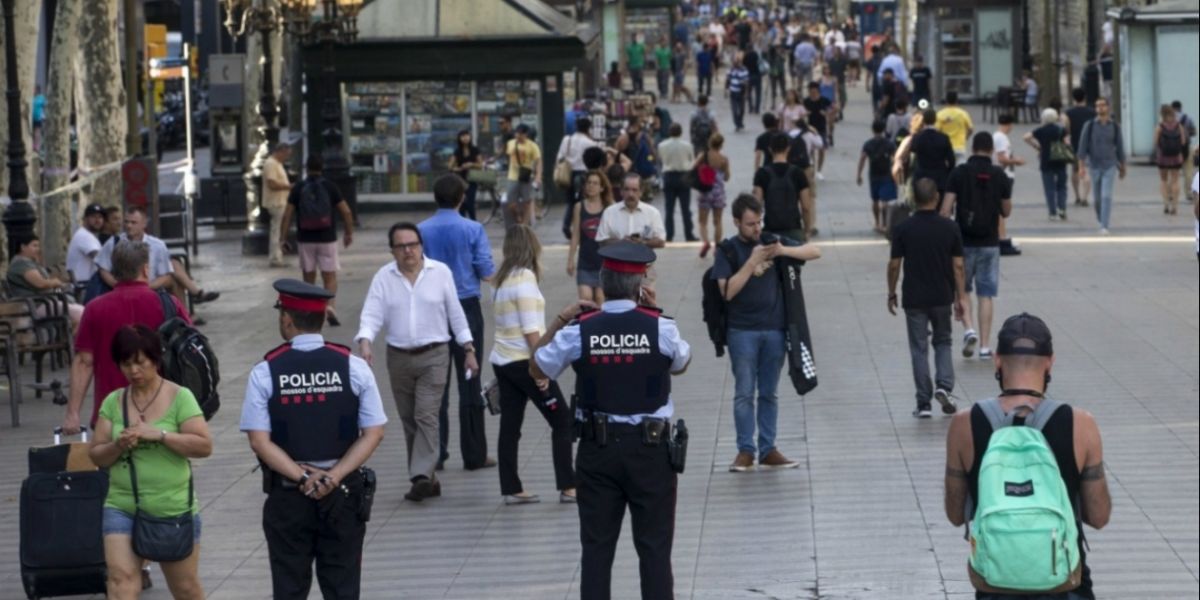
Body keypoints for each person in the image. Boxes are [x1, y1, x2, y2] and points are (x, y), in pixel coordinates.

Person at [530, 242, 692, 600]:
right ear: (640, 285)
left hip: (597, 452)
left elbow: (537, 366)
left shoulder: (580, 329)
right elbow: (681, 363)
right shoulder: (661, 328)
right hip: (651, 454)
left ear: (602, 281)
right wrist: (651, 314)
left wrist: (560, 319)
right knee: (654, 550)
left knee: (597, 550)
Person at [944, 313, 1111, 600]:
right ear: (1050, 361)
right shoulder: (1081, 424)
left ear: (997, 360)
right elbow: (1098, 516)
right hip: (1064, 584)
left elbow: (956, 514)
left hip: (996, 583)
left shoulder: (963, 425)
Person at [242, 279, 386, 599]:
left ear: (286, 320)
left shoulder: (266, 371)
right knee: (342, 587)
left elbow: (259, 441)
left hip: (289, 496)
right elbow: (374, 432)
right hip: (344, 494)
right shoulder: (354, 366)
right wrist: (333, 476)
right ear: (322, 318)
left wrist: (304, 476)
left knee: (290, 587)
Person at [89, 324, 212, 600]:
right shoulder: (113, 401)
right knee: (121, 581)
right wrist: (118, 444)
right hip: (121, 504)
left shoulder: (180, 397)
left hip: (171, 506)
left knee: (185, 588)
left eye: (140, 363)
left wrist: (160, 435)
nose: (134, 371)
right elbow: (96, 454)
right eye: (126, 364)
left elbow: (204, 446)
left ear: (155, 360)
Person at [356, 223, 475, 502]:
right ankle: (428, 479)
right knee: (410, 420)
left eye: (413, 244)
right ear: (393, 251)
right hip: (398, 357)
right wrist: (365, 340)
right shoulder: (384, 277)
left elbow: (455, 313)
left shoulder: (440, 273)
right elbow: (372, 313)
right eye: (401, 246)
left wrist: (468, 347)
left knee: (426, 415)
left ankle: (420, 475)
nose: (409, 250)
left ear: (422, 245)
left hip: (435, 354)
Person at [712, 194, 821, 472]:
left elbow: (815, 251)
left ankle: (768, 448)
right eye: (750, 224)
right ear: (736, 222)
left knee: (769, 392)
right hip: (742, 332)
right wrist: (751, 263)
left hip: (774, 330)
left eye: (759, 222)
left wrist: (782, 251)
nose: (757, 229)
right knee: (744, 392)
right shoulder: (727, 250)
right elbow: (727, 291)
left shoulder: (772, 240)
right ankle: (745, 450)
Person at [62, 240, 190, 434]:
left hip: (112, 416)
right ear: (146, 269)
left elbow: (84, 362)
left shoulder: (95, 308)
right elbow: (189, 350)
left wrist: (73, 414)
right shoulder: (169, 304)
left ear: (114, 273)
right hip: (165, 414)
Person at [489, 225, 576, 505]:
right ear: (532, 248)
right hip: (525, 363)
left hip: (503, 362)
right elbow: (531, 331)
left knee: (510, 426)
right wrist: (542, 369)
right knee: (562, 420)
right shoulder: (525, 279)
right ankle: (569, 486)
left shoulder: (500, 281)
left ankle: (511, 487)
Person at [418, 174, 497, 472]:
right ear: (462, 198)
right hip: (465, 306)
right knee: (470, 378)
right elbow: (486, 269)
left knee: (434, 381)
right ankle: (474, 453)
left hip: (432, 308)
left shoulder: (421, 230)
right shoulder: (473, 228)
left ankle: (436, 453)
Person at [887, 178, 966, 418]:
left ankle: (923, 403)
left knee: (918, 348)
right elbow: (959, 266)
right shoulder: (950, 227)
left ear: (914, 199)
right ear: (936, 198)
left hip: (914, 298)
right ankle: (944, 386)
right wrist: (960, 297)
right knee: (943, 341)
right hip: (942, 296)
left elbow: (894, 264)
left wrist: (891, 292)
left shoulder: (903, 228)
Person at [940, 133, 1012, 362]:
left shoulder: (959, 173)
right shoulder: (1000, 174)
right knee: (986, 295)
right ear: (991, 150)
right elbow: (1007, 211)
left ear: (972, 148)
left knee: (963, 290)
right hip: (990, 243)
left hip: (963, 242)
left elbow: (945, 210)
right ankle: (984, 347)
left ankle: (968, 328)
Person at [279, 155, 353, 325]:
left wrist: (283, 238)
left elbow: (287, 214)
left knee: (308, 277)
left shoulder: (298, 187)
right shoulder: (330, 186)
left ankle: (310, 310)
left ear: (306, 168)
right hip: (327, 238)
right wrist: (348, 233)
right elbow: (346, 212)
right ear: (322, 168)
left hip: (306, 239)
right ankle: (330, 308)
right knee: (330, 275)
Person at [96, 207, 219, 310]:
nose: (129, 226)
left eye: (133, 223)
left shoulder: (157, 245)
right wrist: (115, 284)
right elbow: (103, 269)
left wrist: (145, 287)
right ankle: (189, 309)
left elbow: (165, 275)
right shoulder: (114, 243)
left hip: (150, 287)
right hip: (122, 289)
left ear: (144, 224)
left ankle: (184, 317)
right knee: (175, 272)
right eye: (126, 222)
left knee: (173, 276)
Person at [7, 233, 85, 327]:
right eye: (34, 246)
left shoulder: (29, 262)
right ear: (23, 247)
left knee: (80, 313)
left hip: (46, 301)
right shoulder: (20, 265)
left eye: (38, 246)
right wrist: (55, 282)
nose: (38, 249)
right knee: (81, 312)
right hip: (37, 304)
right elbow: (40, 283)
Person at [1076, 97, 1126, 234]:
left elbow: (1120, 147)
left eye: (1103, 105)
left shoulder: (1114, 126)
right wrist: (1081, 167)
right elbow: (1082, 147)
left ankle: (1104, 225)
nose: (1100, 108)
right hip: (1094, 165)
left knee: (1106, 196)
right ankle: (1100, 218)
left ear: (1108, 107)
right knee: (1097, 198)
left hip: (1110, 165)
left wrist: (1123, 166)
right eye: (1097, 106)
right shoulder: (1090, 125)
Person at [754, 132, 814, 243]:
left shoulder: (762, 173)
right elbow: (806, 207)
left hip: (770, 231)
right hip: (794, 230)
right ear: (788, 149)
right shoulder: (798, 173)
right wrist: (807, 231)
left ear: (770, 149)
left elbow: (757, 204)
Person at [569, 171, 615, 304]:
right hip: (585, 262)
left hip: (604, 263)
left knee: (601, 299)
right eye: (589, 183)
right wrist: (570, 260)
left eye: (595, 183)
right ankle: (587, 324)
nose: (591, 186)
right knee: (586, 299)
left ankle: (600, 325)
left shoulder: (609, 207)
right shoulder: (579, 207)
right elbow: (575, 235)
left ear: (602, 188)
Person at [596, 173, 667, 254]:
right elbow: (601, 241)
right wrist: (621, 242)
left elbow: (661, 242)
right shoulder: (609, 212)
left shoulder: (653, 213)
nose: (630, 194)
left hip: (643, 265)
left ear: (641, 191)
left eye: (634, 190)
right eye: (627, 189)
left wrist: (642, 243)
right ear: (621, 191)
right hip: (615, 264)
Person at [556, 118, 600, 240]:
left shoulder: (567, 139)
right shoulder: (589, 143)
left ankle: (566, 225)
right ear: (588, 128)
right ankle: (581, 228)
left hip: (568, 174)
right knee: (583, 203)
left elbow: (560, 157)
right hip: (583, 175)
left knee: (570, 203)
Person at [1024, 108, 1071, 221]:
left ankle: (1052, 212)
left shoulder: (1040, 130)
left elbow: (1025, 137)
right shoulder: (1060, 129)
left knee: (1049, 188)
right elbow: (1067, 142)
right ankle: (1062, 209)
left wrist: (1037, 146)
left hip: (1046, 160)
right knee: (1062, 187)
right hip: (1060, 160)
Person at [992, 114, 1026, 255]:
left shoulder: (998, 136)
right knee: (1001, 209)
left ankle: (1000, 236)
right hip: (1004, 174)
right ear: (1010, 124)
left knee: (1000, 209)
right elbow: (1001, 158)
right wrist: (1016, 161)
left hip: (1005, 174)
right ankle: (1001, 238)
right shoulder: (1001, 137)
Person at [658, 123, 697, 242]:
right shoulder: (688, 145)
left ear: (669, 132)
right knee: (685, 208)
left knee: (669, 208)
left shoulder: (662, 145)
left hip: (669, 176)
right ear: (681, 132)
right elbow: (691, 160)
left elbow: (661, 160)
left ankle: (669, 235)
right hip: (683, 177)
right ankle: (689, 234)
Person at [858, 119, 898, 233]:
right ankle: (885, 224)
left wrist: (859, 174)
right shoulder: (889, 143)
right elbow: (895, 158)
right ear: (884, 129)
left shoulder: (868, 144)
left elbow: (862, 158)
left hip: (873, 175)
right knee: (885, 201)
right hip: (886, 174)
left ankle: (877, 223)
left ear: (872, 130)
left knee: (875, 200)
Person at [695, 132, 731, 258]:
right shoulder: (724, 159)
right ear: (721, 145)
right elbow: (727, 177)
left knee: (702, 221)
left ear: (710, 143)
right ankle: (717, 247)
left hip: (705, 191)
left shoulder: (703, 156)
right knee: (718, 221)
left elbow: (693, 167)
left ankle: (705, 242)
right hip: (718, 193)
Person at [1152, 103, 1189, 215]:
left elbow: (1155, 142)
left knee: (1163, 180)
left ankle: (1166, 204)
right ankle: (1175, 205)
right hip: (1176, 157)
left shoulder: (1160, 126)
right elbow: (1183, 142)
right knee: (1175, 180)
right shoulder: (1179, 126)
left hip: (1163, 157)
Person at [262, 142, 294, 267]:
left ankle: (278, 255)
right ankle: (275, 258)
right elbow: (272, 183)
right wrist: (289, 186)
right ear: (280, 151)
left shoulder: (278, 164)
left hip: (281, 201)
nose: (287, 157)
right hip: (276, 202)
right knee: (276, 229)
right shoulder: (271, 164)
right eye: (286, 154)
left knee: (279, 229)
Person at [910, 108, 957, 192]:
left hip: (922, 176)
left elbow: (912, 150)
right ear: (935, 120)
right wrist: (947, 172)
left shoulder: (917, 137)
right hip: (940, 177)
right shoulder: (943, 138)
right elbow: (951, 160)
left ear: (923, 120)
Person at [505, 124, 543, 227]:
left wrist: (538, 176)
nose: (518, 135)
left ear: (526, 134)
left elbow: (538, 161)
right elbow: (509, 158)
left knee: (527, 202)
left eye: (521, 134)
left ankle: (525, 225)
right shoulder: (510, 143)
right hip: (512, 177)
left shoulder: (532, 145)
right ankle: (518, 215)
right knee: (511, 203)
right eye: (517, 133)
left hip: (526, 177)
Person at [1065, 88, 1096, 207]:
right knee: (1086, 171)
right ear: (1085, 97)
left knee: (1075, 170)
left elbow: (1066, 130)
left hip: (1075, 144)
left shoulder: (1068, 113)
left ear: (1074, 98)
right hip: (1089, 144)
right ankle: (1085, 197)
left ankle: (1077, 195)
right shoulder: (1092, 112)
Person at [67, 203, 106, 284]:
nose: (97, 220)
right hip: (84, 285)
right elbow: (100, 259)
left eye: (100, 217)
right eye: (93, 217)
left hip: (86, 283)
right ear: (85, 219)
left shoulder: (88, 235)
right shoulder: (84, 236)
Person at [449, 129, 484, 221]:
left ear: (470, 137)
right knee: (462, 204)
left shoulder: (475, 150)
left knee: (470, 203)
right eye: (463, 136)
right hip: (460, 180)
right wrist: (459, 168)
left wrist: (471, 164)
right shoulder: (457, 151)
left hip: (472, 179)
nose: (465, 138)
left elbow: (481, 165)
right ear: (459, 138)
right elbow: (450, 166)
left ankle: (474, 222)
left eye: (467, 136)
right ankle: (462, 223)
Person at [803, 82, 835, 179]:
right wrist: (805, 114)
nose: (812, 93)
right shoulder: (806, 101)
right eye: (810, 92)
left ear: (818, 91)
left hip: (821, 128)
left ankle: (819, 171)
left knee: (822, 149)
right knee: (811, 150)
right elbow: (801, 111)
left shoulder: (824, 100)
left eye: (814, 92)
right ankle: (813, 169)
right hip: (809, 128)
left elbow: (835, 108)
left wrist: (827, 113)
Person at [936, 91, 974, 160]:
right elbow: (970, 129)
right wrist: (965, 137)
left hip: (945, 147)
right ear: (957, 100)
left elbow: (937, 131)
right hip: (960, 147)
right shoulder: (963, 113)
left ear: (946, 100)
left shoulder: (940, 114)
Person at [725, 55, 750, 132]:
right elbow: (727, 80)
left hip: (741, 92)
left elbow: (746, 83)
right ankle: (737, 124)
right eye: (734, 62)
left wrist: (746, 93)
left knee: (742, 109)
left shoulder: (744, 70)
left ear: (739, 62)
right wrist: (725, 90)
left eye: (736, 62)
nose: (735, 64)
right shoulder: (730, 70)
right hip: (733, 92)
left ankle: (740, 121)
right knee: (735, 110)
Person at [743, 44, 763, 115]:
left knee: (749, 92)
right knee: (758, 93)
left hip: (749, 76)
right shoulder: (756, 54)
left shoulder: (746, 56)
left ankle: (751, 108)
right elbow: (761, 63)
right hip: (757, 75)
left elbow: (744, 66)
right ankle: (757, 109)